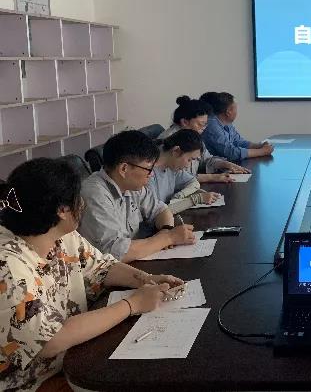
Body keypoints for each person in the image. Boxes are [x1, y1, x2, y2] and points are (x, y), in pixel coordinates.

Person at [0, 158, 183, 391]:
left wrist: (146, 279)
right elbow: (51, 340)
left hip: (75, 357)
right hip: (35, 383)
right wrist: (133, 304)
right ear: (62, 211)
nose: (83, 203)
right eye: (78, 198)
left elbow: (102, 267)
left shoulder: (61, 234)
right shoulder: (8, 265)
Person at [79, 130, 196, 263]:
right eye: (148, 170)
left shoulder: (131, 185)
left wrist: (166, 230)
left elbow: (161, 210)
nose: (152, 175)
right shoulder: (95, 194)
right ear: (124, 169)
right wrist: (169, 238)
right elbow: (114, 253)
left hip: (135, 261)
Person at [159, 95, 250, 182]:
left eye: (205, 124)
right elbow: (177, 178)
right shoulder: (169, 140)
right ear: (185, 122)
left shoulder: (193, 136)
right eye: (201, 124)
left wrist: (225, 164)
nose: (203, 128)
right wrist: (212, 177)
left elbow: (207, 159)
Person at [149, 129, 222, 214]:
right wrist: (195, 199)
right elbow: (156, 213)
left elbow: (192, 181)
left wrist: (185, 195)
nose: (188, 165)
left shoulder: (171, 165)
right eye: (189, 159)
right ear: (176, 151)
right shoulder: (147, 173)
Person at [200, 92, 273, 162]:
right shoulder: (211, 124)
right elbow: (230, 153)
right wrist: (262, 151)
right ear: (228, 112)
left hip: (226, 164)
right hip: (212, 167)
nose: (237, 111)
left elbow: (238, 141)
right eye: (235, 107)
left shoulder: (227, 122)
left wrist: (260, 146)